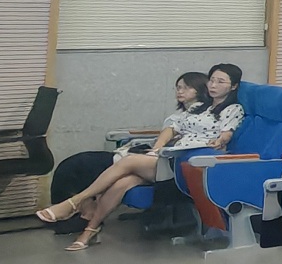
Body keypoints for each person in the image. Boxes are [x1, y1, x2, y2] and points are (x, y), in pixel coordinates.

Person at [39, 66, 246, 250]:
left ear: (234, 86)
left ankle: (74, 202)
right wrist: (157, 149)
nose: (213, 85)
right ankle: (89, 232)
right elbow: (173, 127)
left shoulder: (232, 109)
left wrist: (220, 140)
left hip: (188, 163)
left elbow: (226, 134)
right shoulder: (198, 107)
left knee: (128, 161)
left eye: (221, 82)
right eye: (212, 80)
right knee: (122, 183)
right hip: (167, 158)